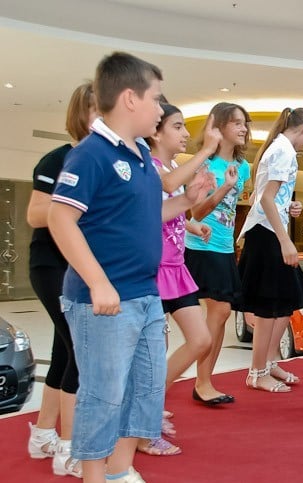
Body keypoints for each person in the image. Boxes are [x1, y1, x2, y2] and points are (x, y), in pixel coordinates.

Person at [47, 51, 215, 483]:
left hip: (144, 293)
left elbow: (147, 215)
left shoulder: (141, 156)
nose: (161, 110)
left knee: (144, 389)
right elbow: (59, 218)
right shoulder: (91, 155)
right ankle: (93, 475)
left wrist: (187, 201)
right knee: (103, 395)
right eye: (156, 99)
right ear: (129, 99)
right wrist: (99, 283)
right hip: (104, 301)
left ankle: (121, 470)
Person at [137, 103, 222, 455]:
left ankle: (151, 403)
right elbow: (159, 200)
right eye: (178, 126)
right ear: (156, 132)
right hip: (154, 268)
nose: (186, 133)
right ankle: (142, 428)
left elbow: (169, 209)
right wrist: (206, 150)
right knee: (152, 353)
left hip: (175, 266)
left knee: (200, 339)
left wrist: (192, 222)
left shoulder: (172, 168)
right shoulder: (151, 167)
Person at [26, 82, 96, 478]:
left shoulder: (103, 160)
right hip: (52, 264)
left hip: (80, 266)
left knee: (66, 350)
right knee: (80, 353)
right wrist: (73, 200)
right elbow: (36, 215)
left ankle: (42, 435)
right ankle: (69, 448)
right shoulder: (60, 159)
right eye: (94, 109)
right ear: (80, 113)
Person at [236, 107, 303, 392]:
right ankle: (257, 372)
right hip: (268, 234)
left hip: (268, 230)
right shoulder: (284, 151)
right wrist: (285, 240)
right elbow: (266, 200)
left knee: (287, 300)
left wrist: (290, 207)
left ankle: (268, 364)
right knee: (269, 307)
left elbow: (269, 198)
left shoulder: (277, 148)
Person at [184, 102, 251, 405]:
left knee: (220, 314)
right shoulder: (205, 167)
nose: (244, 129)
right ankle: (202, 380)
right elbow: (196, 212)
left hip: (225, 246)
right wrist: (224, 187)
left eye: (244, 123)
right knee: (220, 310)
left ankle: (204, 381)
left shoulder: (244, 167)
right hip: (201, 245)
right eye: (237, 123)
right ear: (220, 126)